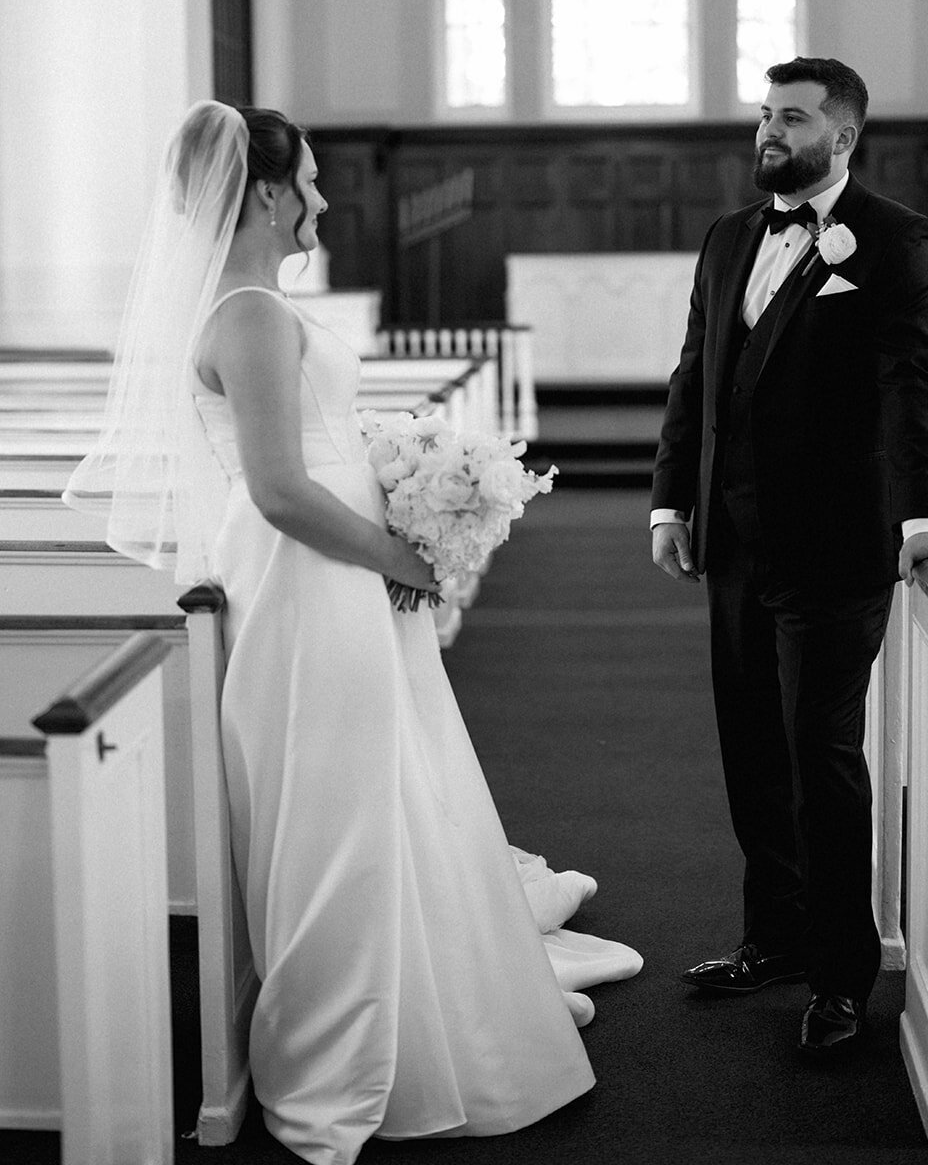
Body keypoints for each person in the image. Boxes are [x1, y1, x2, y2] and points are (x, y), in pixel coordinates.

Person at [65, 100, 640, 1163]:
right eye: (313, 182)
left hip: (329, 570)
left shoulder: (257, 305)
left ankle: (412, 991)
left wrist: (393, 481)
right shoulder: (245, 311)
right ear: (271, 193)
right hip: (305, 577)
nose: (324, 200)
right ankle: (343, 1050)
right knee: (339, 807)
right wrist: (400, 557)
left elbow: (309, 456)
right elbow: (280, 490)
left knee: (381, 780)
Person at [650, 57, 928, 1059]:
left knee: (819, 755)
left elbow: (907, 389)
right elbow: (696, 371)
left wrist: (921, 522)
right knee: (751, 745)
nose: (767, 133)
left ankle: (839, 975)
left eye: (790, 118)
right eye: (762, 115)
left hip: (834, 546)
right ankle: (772, 937)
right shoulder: (727, 236)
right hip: (732, 542)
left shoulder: (895, 240)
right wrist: (670, 497)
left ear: (843, 135)